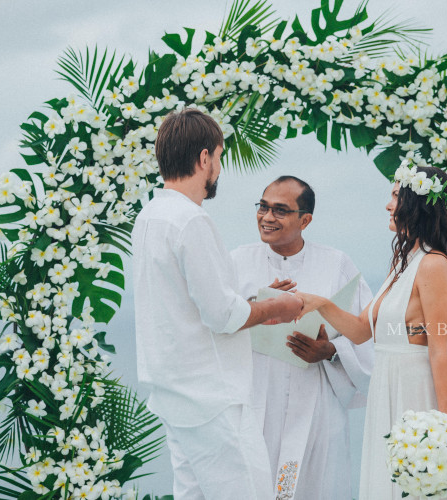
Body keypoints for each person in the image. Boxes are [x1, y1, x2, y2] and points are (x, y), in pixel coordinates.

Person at [132, 108, 304, 500]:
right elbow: (222, 315)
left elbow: (187, 304)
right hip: (212, 400)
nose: (219, 169)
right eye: (220, 158)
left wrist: (256, 301)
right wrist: (277, 307)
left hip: (174, 395)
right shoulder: (190, 221)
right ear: (204, 158)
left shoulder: (150, 217)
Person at [297, 165, 447, 499]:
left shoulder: (434, 264)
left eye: (395, 196)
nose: (388, 205)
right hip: (386, 387)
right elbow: (361, 331)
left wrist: (446, 429)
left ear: (416, 203)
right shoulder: (403, 262)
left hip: (416, 392)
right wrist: (319, 303)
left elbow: (439, 351)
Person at [230, 176, 374, 499]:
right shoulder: (238, 261)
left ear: (305, 220)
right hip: (257, 396)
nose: (267, 217)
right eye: (263, 207)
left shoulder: (336, 264)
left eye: (280, 210)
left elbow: (365, 334)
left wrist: (330, 350)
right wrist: (255, 308)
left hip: (316, 403)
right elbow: (214, 324)